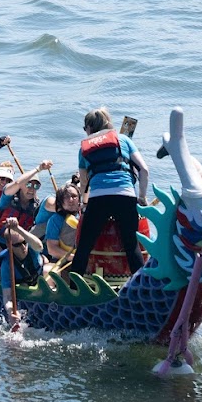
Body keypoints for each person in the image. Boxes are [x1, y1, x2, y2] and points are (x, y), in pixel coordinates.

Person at [71, 107, 150, 276]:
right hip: (125, 195)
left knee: (84, 246)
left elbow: (84, 182)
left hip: (99, 198)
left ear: (89, 128)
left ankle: (73, 289)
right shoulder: (124, 139)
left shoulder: (84, 148)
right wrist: (142, 197)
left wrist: (85, 204)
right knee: (131, 245)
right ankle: (141, 286)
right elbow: (144, 169)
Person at [0, 217, 46, 326]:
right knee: (24, 284)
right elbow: (7, 296)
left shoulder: (31, 246)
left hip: (40, 281)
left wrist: (18, 228)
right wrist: (11, 312)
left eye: (24, 242)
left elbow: (39, 246)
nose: (23, 247)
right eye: (18, 245)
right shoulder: (7, 264)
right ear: (9, 246)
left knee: (49, 270)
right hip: (24, 285)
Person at [0, 160, 52, 231]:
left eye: (36, 186)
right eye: (29, 185)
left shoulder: (36, 207)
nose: (32, 189)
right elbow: (17, 183)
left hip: (19, 240)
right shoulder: (8, 196)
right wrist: (39, 168)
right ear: (21, 186)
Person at [45, 184, 83, 262]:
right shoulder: (55, 220)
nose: (71, 200)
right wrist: (74, 258)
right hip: (63, 260)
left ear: (79, 199)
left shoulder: (87, 216)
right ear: (60, 201)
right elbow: (52, 249)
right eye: (66, 197)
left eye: (74, 196)